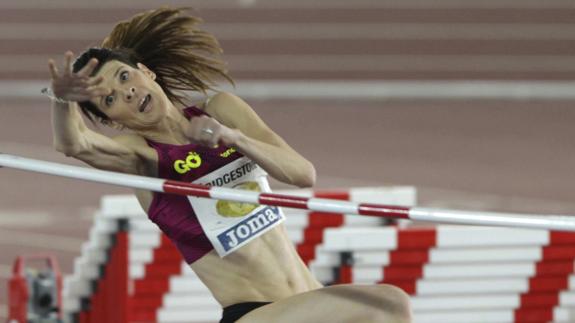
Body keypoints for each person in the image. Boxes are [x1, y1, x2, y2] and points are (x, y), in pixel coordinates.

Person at [47, 8, 412, 323]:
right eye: (109, 99)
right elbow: (74, 144)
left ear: (146, 73)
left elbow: (303, 174)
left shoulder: (222, 110)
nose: (125, 93)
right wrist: (63, 102)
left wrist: (235, 138)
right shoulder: (142, 153)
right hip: (254, 313)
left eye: (125, 77)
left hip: (307, 301)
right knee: (389, 304)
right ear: (112, 120)